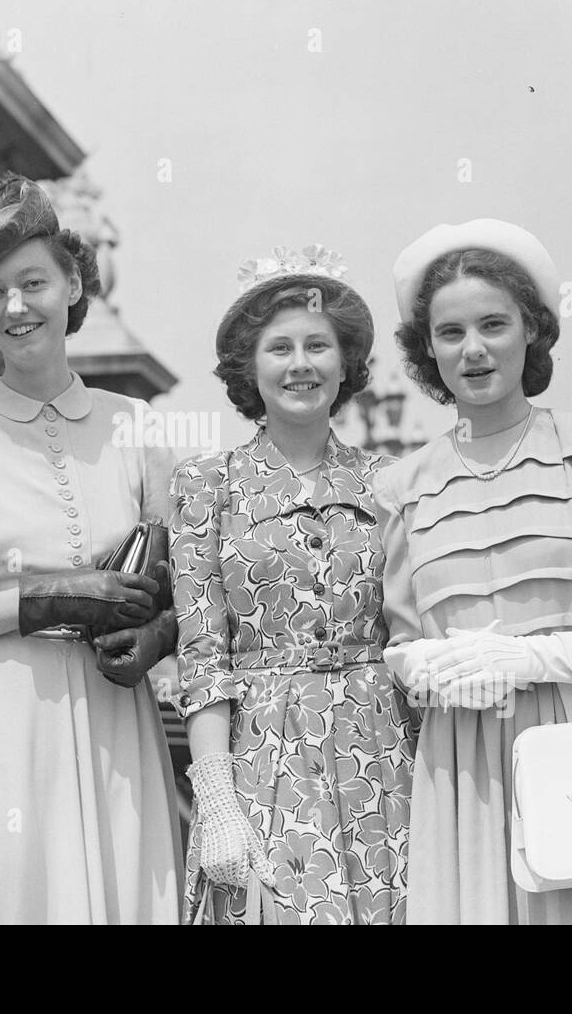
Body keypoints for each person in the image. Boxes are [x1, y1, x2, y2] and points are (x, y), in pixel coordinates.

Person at [374, 219, 572, 924]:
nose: (475, 348)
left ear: (532, 331)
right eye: (450, 332)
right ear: (427, 351)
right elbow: (401, 642)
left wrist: (538, 657)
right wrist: (426, 662)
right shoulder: (400, 486)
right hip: (460, 766)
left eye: (494, 323)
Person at [0, 173, 182, 924]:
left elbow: (190, 587)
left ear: (74, 286)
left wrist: (159, 632)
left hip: (111, 711)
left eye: (34, 282)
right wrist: (39, 600)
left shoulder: (138, 427)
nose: (15, 307)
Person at [172, 247, 421, 925]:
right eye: (279, 347)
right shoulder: (207, 485)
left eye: (319, 345)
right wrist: (217, 797)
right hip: (263, 760)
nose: (300, 363)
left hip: (387, 752)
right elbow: (202, 657)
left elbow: (414, 632)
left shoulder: (392, 482)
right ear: (249, 367)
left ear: (346, 364)